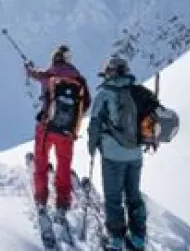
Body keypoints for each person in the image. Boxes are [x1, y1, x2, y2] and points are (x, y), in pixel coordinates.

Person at [87, 56, 147, 251]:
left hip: (113, 154)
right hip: (135, 154)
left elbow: (94, 124)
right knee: (133, 195)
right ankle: (138, 238)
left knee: (113, 197)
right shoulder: (137, 91)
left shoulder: (104, 93)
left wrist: (92, 147)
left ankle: (116, 239)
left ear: (111, 71)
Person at [25, 44, 91, 220]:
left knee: (41, 162)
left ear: (54, 59)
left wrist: (29, 68)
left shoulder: (49, 75)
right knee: (63, 165)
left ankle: (41, 199)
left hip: (46, 128)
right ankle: (62, 202)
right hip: (67, 133)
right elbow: (86, 104)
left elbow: (33, 74)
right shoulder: (79, 79)